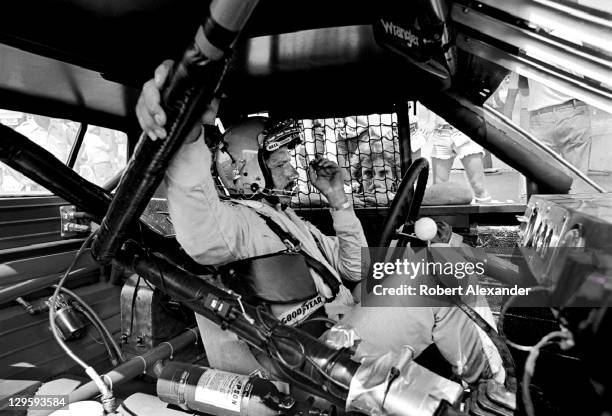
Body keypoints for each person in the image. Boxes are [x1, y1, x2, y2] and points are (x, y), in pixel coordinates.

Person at [136, 60, 505, 385]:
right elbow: (195, 209)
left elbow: (352, 266)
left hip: (338, 326)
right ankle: (494, 392)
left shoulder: (284, 218)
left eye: (287, 161)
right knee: (434, 279)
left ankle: (483, 368)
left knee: (438, 258)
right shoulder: (234, 227)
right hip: (308, 357)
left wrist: (338, 201)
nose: (291, 170)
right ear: (242, 171)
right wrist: (184, 126)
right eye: (279, 164)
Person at [526, 80, 592, 193]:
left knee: (545, 177)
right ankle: (577, 207)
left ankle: (550, 208)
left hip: (541, 115)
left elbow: (523, 87)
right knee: (578, 178)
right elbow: (593, 79)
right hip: (573, 110)